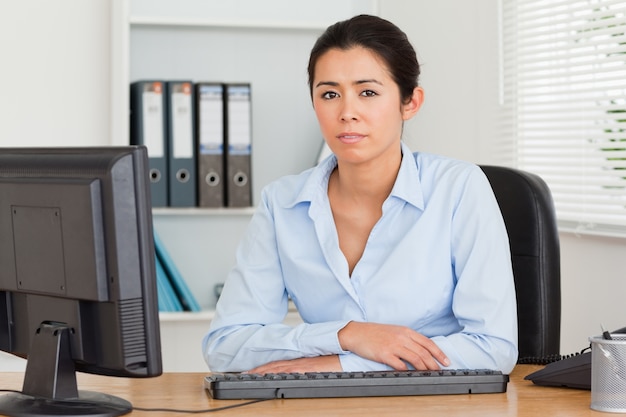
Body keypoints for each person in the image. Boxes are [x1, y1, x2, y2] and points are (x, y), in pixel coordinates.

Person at [202, 14, 518, 374]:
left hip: (438, 404)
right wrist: (348, 335)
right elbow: (225, 347)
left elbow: (493, 349)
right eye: (330, 94)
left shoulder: (459, 188)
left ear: (410, 103)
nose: (347, 112)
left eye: (367, 92)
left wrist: (335, 363)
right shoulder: (283, 203)